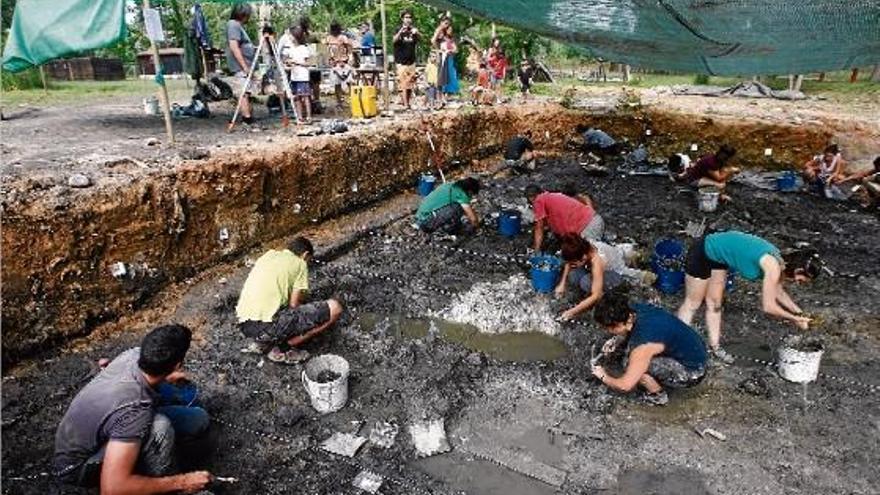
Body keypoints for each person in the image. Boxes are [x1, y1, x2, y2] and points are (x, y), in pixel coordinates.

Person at [53, 325, 213, 492]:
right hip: (77, 466)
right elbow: (112, 490)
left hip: (112, 419)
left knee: (198, 419)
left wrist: (169, 376)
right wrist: (183, 482)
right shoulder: (135, 412)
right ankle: (166, 487)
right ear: (177, 364)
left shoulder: (133, 355)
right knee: (159, 427)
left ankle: (138, 457)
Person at [677, 231, 821, 364]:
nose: (798, 282)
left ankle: (715, 347)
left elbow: (779, 292)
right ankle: (676, 344)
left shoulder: (781, 263)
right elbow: (768, 306)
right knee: (693, 303)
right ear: (798, 270)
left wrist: (800, 313)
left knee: (715, 304)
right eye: (801, 279)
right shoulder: (773, 265)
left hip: (719, 257)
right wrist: (794, 318)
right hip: (703, 251)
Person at [236, 236, 343, 364]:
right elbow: (294, 305)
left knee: (280, 310)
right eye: (308, 260)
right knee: (335, 308)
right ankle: (282, 349)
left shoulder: (269, 255)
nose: (307, 264)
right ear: (305, 255)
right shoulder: (300, 264)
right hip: (267, 327)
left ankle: (262, 343)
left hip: (245, 325)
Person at [592, 293, 708, 406]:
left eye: (607, 328)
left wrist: (603, 376)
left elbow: (625, 385)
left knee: (629, 364)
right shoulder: (633, 309)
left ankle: (657, 396)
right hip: (696, 349)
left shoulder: (643, 345)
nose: (606, 331)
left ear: (618, 324)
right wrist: (619, 339)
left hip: (693, 371)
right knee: (629, 353)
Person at [556, 234, 656, 320]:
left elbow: (596, 295)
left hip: (616, 271)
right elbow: (569, 262)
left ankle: (640, 276)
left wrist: (572, 312)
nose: (571, 265)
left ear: (583, 258)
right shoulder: (581, 245)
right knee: (574, 275)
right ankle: (630, 255)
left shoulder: (597, 261)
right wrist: (562, 283)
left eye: (574, 263)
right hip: (612, 254)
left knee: (586, 282)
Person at [525, 184, 605, 248]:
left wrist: (536, 250)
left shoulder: (538, 200)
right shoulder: (551, 196)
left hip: (587, 228)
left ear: (531, 198)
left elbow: (539, 228)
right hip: (594, 221)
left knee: (588, 258)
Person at [226, 3, 257, 125]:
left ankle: (249, 115)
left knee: (247, 91)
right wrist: (245, 67)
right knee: (243, 92)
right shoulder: (233, 25)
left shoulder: (239, 26)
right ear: (242, 14)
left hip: (246, 65)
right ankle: (247, 118)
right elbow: (234, 46)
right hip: (241, 67)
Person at [416, 177, 481, 234]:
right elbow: (472, 218)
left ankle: (452, 227)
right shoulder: (461, 194)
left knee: (454, 207)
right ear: (470, 191)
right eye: (472, 194)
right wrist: (477, 226)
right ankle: (452, 229)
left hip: (420, 217)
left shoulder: (449, 185)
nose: (471, 196)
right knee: (458, 207)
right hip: (426, 223)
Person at [675, 145, 740, 193]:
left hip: (701, 176)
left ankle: (719, 193)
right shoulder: (711, 162)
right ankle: (715, 194)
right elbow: (719, 178)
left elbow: (722, 170)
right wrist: (731, 171)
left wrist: (730, 170)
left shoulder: (718, 160)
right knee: (721, 185)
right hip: (694, 179)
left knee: (723, 179)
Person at [393, 10, 421, 110]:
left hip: (411, 60)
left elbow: (420, 39)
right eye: (406, 17)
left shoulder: (413, 30)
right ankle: (405, 104)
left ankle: (408, 103)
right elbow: (394, 40)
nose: (408, 19)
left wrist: (417, 33)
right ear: (402, 19)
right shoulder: (398, 29)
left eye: (409, 17)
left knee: (410, 83)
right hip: (401, 61)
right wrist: (401, 31)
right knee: (403, 83)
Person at [286, 26, 313, 124]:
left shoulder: (303, 49)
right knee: (297, 97)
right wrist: (289, 63)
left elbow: (308, 63)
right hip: (294, 76)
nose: (289, 37)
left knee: (305, 96)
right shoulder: (291, 49)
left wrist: (296, 63)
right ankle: (300, 117)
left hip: (303, 76)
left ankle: (309, 117)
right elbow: (289, 61)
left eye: (291, 35)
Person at [325, 21, 354, 109]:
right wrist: (330, 60)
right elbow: (327, 50)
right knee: (337, 84)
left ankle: (353, 99)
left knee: (349, 82)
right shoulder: (329, 38)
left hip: (344, 61)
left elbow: (350, 47)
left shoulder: (343, 37)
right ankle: (339, 102)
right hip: (335, 63)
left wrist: (349, 58)